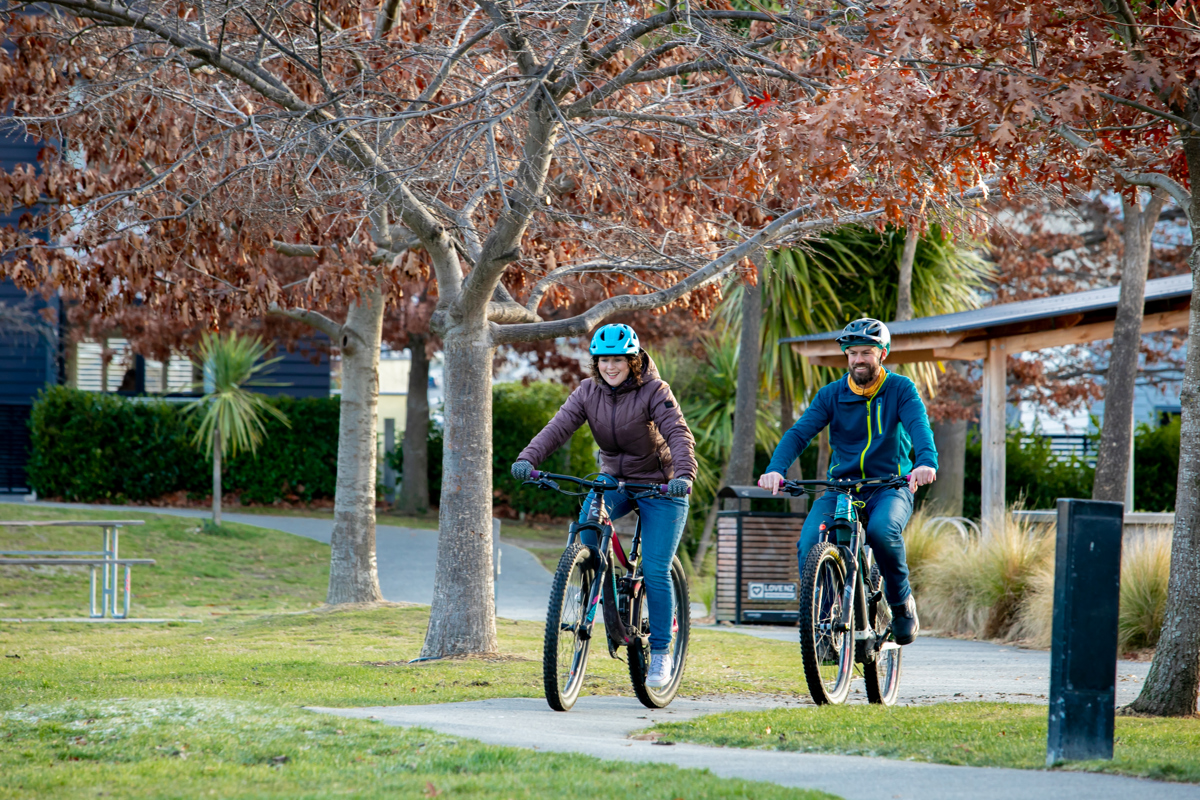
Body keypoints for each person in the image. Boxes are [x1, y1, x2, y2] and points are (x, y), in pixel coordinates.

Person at [511, 323, 696, 688]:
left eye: (619, 360)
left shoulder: (655, 391)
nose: (611, 367)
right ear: (596, 363)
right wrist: (528, 458)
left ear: (633, 361)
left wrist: (684, 476)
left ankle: (661, 651)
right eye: (604, 360)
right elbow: (558, 427)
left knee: (656, 568)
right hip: (615, 480)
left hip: (662, 486)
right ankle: (583, 579)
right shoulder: (587, 391)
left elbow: (677, 431)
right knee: (586, 530)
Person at [757, 318, 937, 644]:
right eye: (852, 353)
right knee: (810, 541)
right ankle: (825, 627)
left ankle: (900, 604)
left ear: (882, 353)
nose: (858, 359)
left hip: (891, 486)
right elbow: (799, 434)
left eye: (866, 352)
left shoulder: (900, 389)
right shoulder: (831, 395)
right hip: (842, 488)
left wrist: (925, 462)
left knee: (882, 531)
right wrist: (776, 469)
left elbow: (919, 428)